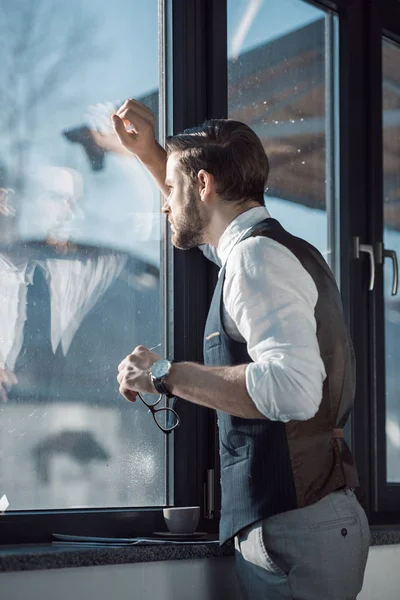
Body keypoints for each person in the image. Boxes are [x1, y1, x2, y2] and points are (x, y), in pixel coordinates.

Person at [114, 99, 370, 600]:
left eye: (171, 190)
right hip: (305, 523)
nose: (165, 203)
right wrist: (152, 157)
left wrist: (164, 374)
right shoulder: (265, 249)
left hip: (298, 531)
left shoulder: (256, 260)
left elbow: (294, 391)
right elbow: (204, 228)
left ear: (204, 184)